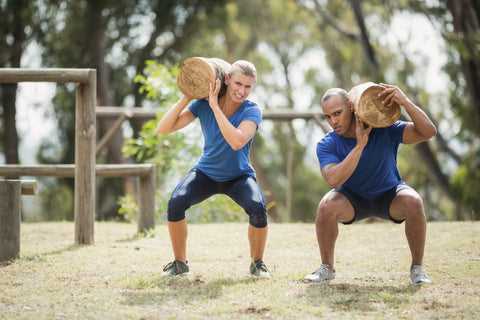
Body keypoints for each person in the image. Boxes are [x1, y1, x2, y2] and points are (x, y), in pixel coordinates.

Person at [304, 83, 437, 285]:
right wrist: (359, 146)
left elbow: (428, 132)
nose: (333, 121)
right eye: (328, 116)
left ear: (351, 107)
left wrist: (405, 101)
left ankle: (417, 269)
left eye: (337, 113)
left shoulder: (385, 129)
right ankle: (327, 268)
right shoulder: (327, 143)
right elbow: (332, 179)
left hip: (389, 195)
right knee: (326, 206)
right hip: (352, 199)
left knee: (414, 201)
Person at [156, 60, 270, 278]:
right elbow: (164, 128)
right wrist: (188, 95)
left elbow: (237, 142)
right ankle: (180, 264)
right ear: (227, 79)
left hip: (239, 176)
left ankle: (258, 264)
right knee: (176, 203)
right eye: (238, 83)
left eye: (248, 86)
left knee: (257, 209)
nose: (241, 91)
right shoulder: (202, 104)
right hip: (206, 173)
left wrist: (216, 107)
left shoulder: (252, 111)